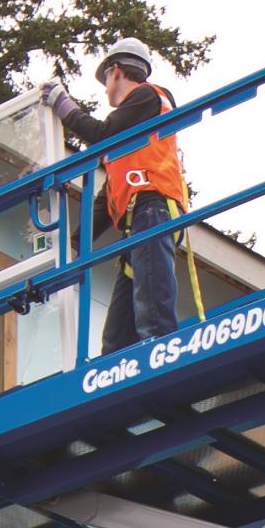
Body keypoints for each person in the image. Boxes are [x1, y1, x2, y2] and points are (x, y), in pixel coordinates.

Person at [41, 38, 186, 354]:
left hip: (154, 212)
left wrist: (64, 107)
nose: (106, 89)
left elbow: (102, 135)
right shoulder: (129, 139)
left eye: (106, 80)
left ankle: (163, 366)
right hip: (139, 223)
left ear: (116, 71)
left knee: (154, 322)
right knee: (116, 341)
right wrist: (77, 242)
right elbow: (108, 201)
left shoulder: (148, 96)